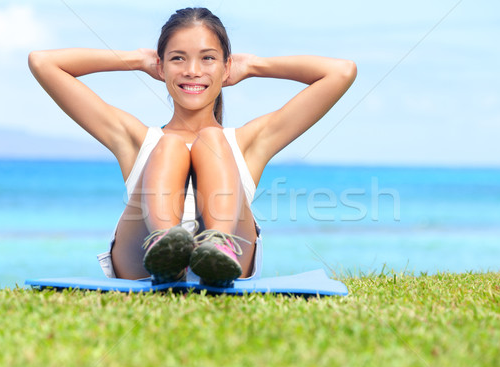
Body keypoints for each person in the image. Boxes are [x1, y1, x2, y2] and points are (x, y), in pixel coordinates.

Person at [28, 7, 356, 287]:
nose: (192, 71)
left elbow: (340, 72)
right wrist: (139, 59)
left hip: (232, 259)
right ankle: (164, 250)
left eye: (208, 58)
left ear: (227, 67)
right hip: (140, 261)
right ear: (161, 67)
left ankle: (217, 249)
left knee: (210, 141)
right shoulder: (137, 140)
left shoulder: (247, 143)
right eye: (178, 59)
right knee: (170, 145)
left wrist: (255, 65)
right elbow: (43, 63)